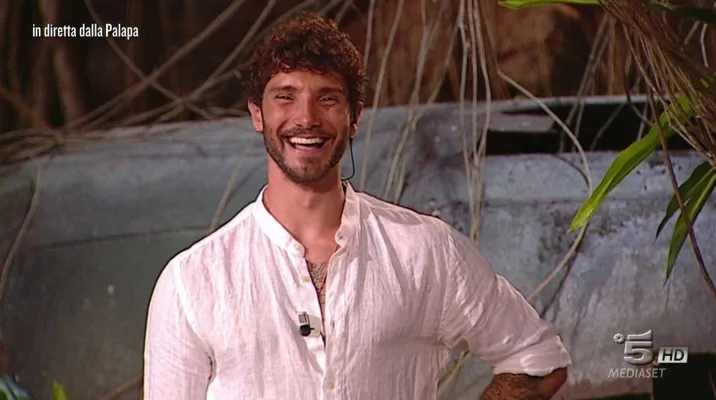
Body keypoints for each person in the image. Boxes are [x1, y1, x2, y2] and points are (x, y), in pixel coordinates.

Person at [142, 11, 571, 400]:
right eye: (286, 97)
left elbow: (536, 359)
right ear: (258, 114)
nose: (306, 118)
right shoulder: (193, 282)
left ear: (354, 116)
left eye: (327, 98)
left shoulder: (424, 251)